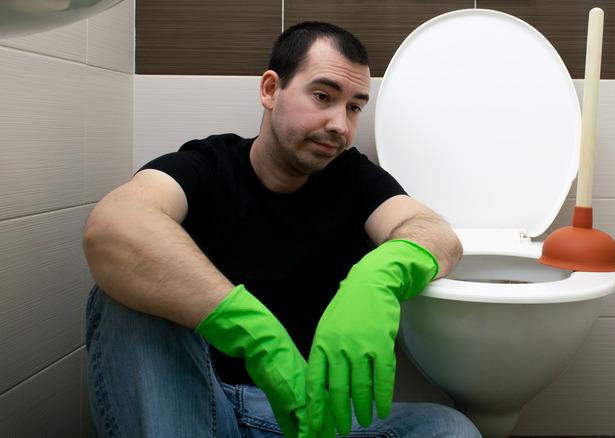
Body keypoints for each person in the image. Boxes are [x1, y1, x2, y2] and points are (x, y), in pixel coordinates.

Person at [82, 21, 481, 438]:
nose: (340, 125)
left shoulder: (352, 177)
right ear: (271, 90)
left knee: (450, 429)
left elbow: (436, 234)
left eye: (354, 107)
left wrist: (377, 278)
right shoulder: (207, 166)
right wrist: (255, 335)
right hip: (195, 398)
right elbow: (113, 225)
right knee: (124, 296)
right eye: (323, 96)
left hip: (305, 416)